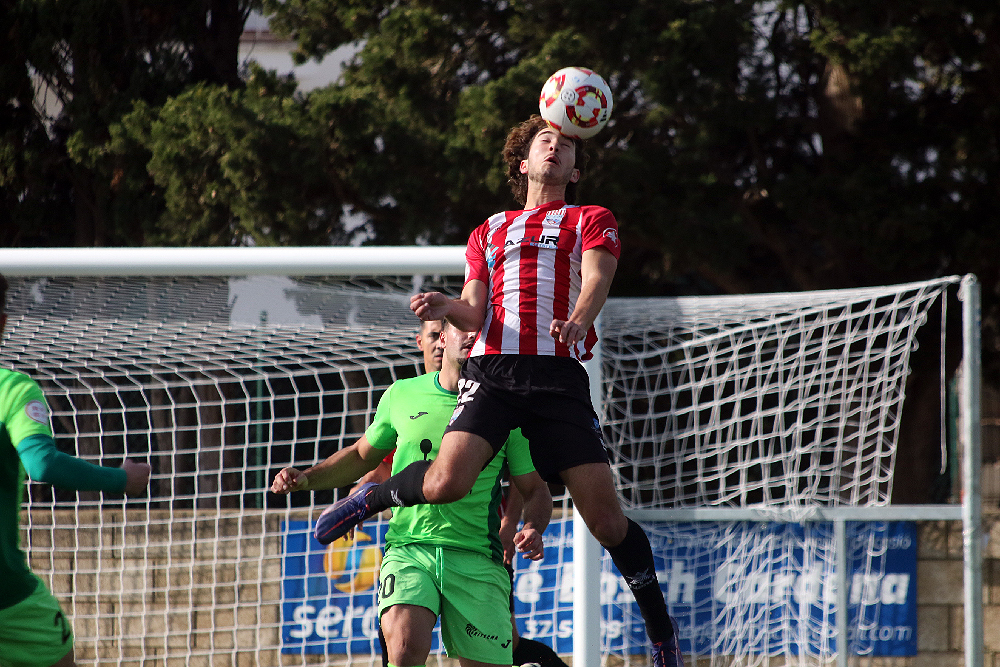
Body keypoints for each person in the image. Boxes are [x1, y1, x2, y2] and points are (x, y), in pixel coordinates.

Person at [318, 115, 684, 667]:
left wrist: (580, 320)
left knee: (607, 524)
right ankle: (374, 495)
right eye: (546, 141)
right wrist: (447, 308)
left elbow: (598, 277)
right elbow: (475, 309)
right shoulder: (489, 230)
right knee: (442, 483)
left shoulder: (590, 217)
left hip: (559, 379)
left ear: (576, 168)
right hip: (495, 374)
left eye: (566, 145)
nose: (555, 148)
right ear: (523, 161)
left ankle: (660, 631)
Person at [271, 319, 553, 667]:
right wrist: (308, 478)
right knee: (403, 650)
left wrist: (532, 527)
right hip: (409, 549)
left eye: (476, 329)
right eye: (457, 328)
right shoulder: (402, 394)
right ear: (442, 337)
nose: (467, 335)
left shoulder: (506, 410)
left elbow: (535, 490)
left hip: (477, 557)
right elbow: (363, 455)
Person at [0, 273, 152, 667]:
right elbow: (41, 463)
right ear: (2, 323)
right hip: (6, 595)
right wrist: (122, 479)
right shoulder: (12, 390)